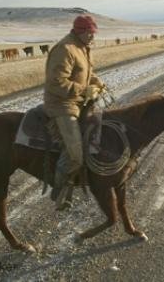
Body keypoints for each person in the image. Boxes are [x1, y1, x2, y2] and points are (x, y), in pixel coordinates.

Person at [43, 14, 105, 210]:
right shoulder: (65, 49)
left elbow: (85, 74)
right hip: (62, 105)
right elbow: (56, 82)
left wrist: (96, 82)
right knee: (75, 154)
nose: (93, 37)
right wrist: (83, 90)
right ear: (80, 31)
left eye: (94, 33)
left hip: (78, 102)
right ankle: (59, 189)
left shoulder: (82, 48)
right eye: (90, 33)